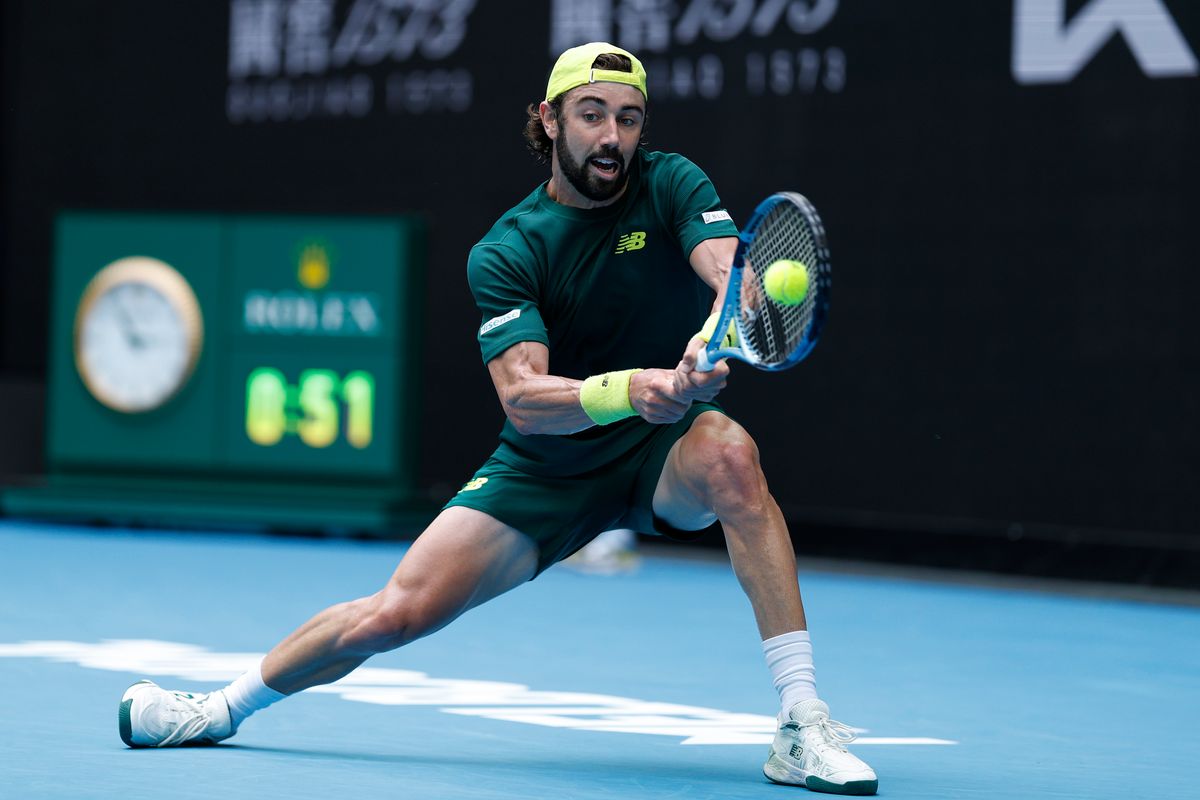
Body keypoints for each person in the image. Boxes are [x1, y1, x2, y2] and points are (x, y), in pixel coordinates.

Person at [117, 42, 878, 795]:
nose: (612, 137)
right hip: (548, 467)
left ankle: (802, 722)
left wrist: (718, 323)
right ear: (548, 120)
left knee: (731, 459)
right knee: (393, 616)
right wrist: (634, 386)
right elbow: (524, 399)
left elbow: (727, 270)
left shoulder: (672, 181)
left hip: (660, 452)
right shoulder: (508, 250)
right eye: (590, 115)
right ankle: (217, 708)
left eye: (628, 118)